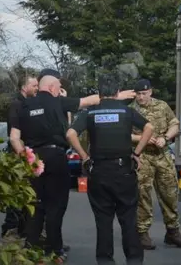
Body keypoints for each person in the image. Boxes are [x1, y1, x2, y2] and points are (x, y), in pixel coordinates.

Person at [9, 69, 136, 263]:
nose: (60, 91)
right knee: (55, 207)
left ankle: (29, 251)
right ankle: (54, 252)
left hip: (32, 159)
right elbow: (89, 101)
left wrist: (26, 158)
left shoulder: (23, 105)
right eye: (59, 88)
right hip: (56, 158)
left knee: (35, 206)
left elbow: (14, 137)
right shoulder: (58, 101)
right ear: (52, 87)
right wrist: (116, 96)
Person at [66, 74, 154, 265]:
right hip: (124, 171)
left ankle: (105, 260)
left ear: (99, 93)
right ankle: (134, 260)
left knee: (103, 223)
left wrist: (85, 157)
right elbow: (149, 127)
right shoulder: (126, 111)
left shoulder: (90, 113)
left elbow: (71, 133)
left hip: (99, 172)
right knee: (128, 220)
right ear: (116, 93)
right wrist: (137, 153)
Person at [130, 78, 181, 249]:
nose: (141, 97)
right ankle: (142, 233)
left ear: (150, 91)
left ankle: (173, 231)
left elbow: (175, 125)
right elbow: (126, 135)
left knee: (170, 193)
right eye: (138, 94)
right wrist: (143, 139)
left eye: (144, 93)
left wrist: (166, 138)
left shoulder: (162, 106)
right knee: (143, 195)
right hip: (142, 156)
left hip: (162, 155)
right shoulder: (130, 110)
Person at [1, 74, 39, 238]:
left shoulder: (28, 104)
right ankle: (11, 230)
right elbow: (15, 134)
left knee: (26, 195)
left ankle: (24, 230)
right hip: (18, 156)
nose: (37, 88)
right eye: (34, 85)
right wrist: (24, 155)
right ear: (24, 87)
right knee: (16, 195)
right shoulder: (17, 105)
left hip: (26, 154)